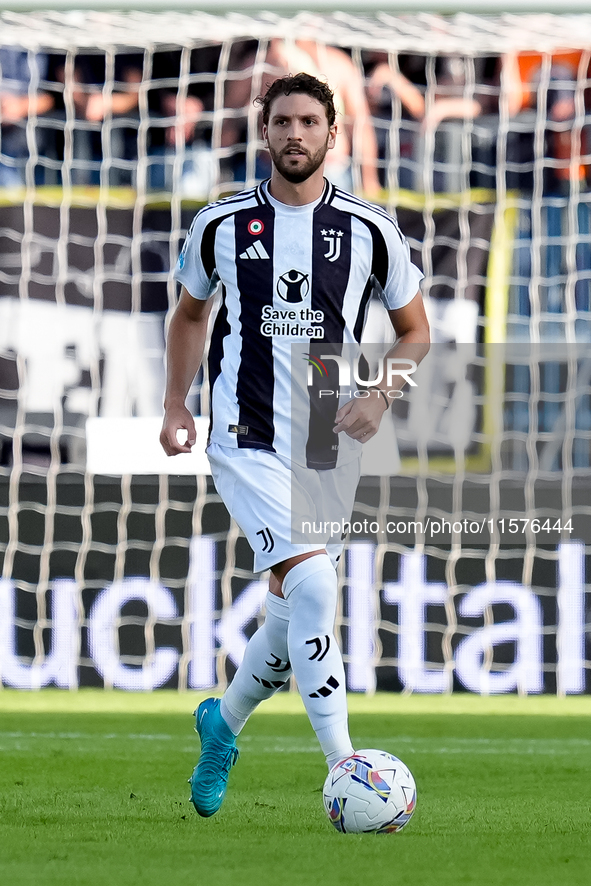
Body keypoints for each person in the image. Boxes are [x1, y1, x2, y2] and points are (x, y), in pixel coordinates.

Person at [159, 72, 429, 817]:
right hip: (243, 437)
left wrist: (379, 396)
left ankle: (224, 723)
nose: (295, 134)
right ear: (264, 130)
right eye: (282, 121)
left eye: (309, 121)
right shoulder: (219, 224)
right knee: (314, 585)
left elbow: (416, 333)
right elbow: (189, 316)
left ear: (332, 134)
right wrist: (174, 403)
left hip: (326, 441)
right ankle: (348, 769)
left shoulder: (370, 229)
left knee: (289, 603)